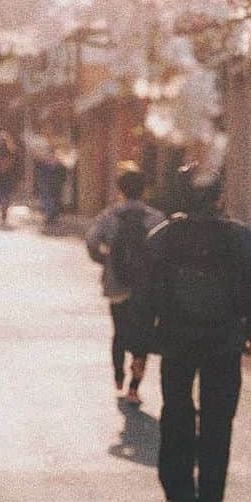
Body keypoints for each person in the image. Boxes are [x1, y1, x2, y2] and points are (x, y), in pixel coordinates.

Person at [145, 164, 251, 502]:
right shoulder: (238, 237)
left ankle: (180, 498)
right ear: (218, 196)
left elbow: (145, 290)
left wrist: (143, 340)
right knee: (217, 425)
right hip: (223, 341)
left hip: (176, 340)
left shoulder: (164, 237)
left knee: (176, 415)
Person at [85, 163, 163, 403]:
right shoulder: (155, 217)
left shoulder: (109, 216)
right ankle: (134, 387)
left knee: (119, 331)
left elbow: (91, 242)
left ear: (120, 189)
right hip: (145, 287)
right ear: (144, 190)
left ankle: (118, 374)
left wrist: (106, 261)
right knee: (143, 334)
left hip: (117, 284)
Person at [0, 131, 21, 227]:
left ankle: (3, 212)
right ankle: (4, 212)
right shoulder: (12, 150)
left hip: (0, 176)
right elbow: (17, 164)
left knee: (0, 194)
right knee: (6, 195)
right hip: (9, 175)